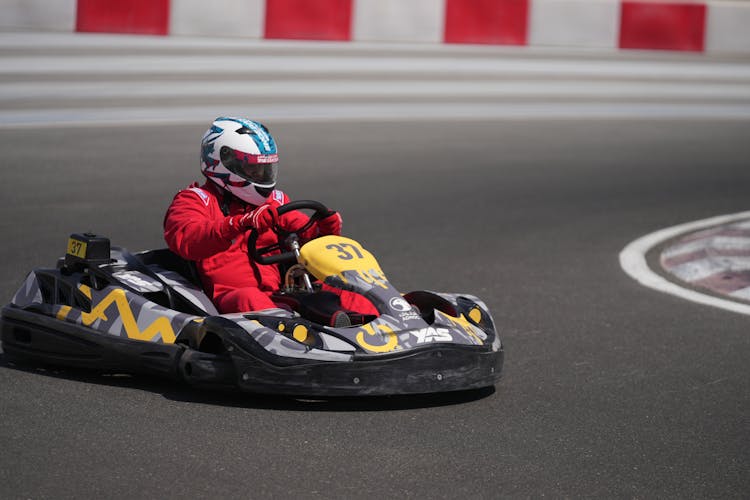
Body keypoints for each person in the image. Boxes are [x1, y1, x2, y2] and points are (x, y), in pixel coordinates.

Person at [164, 117, 377, 323]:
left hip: (278, 292)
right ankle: (295, 341)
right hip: (230, 300)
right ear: (223, 163)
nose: (261, 175)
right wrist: (239, 223)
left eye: (265, 169)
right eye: (252, 169)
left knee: (345, 286)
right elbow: (187, 239)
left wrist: (325, 230)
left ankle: (378, 327)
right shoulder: (195, 199)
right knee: (250, 298)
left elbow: (305, 237)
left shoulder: (273, 202)